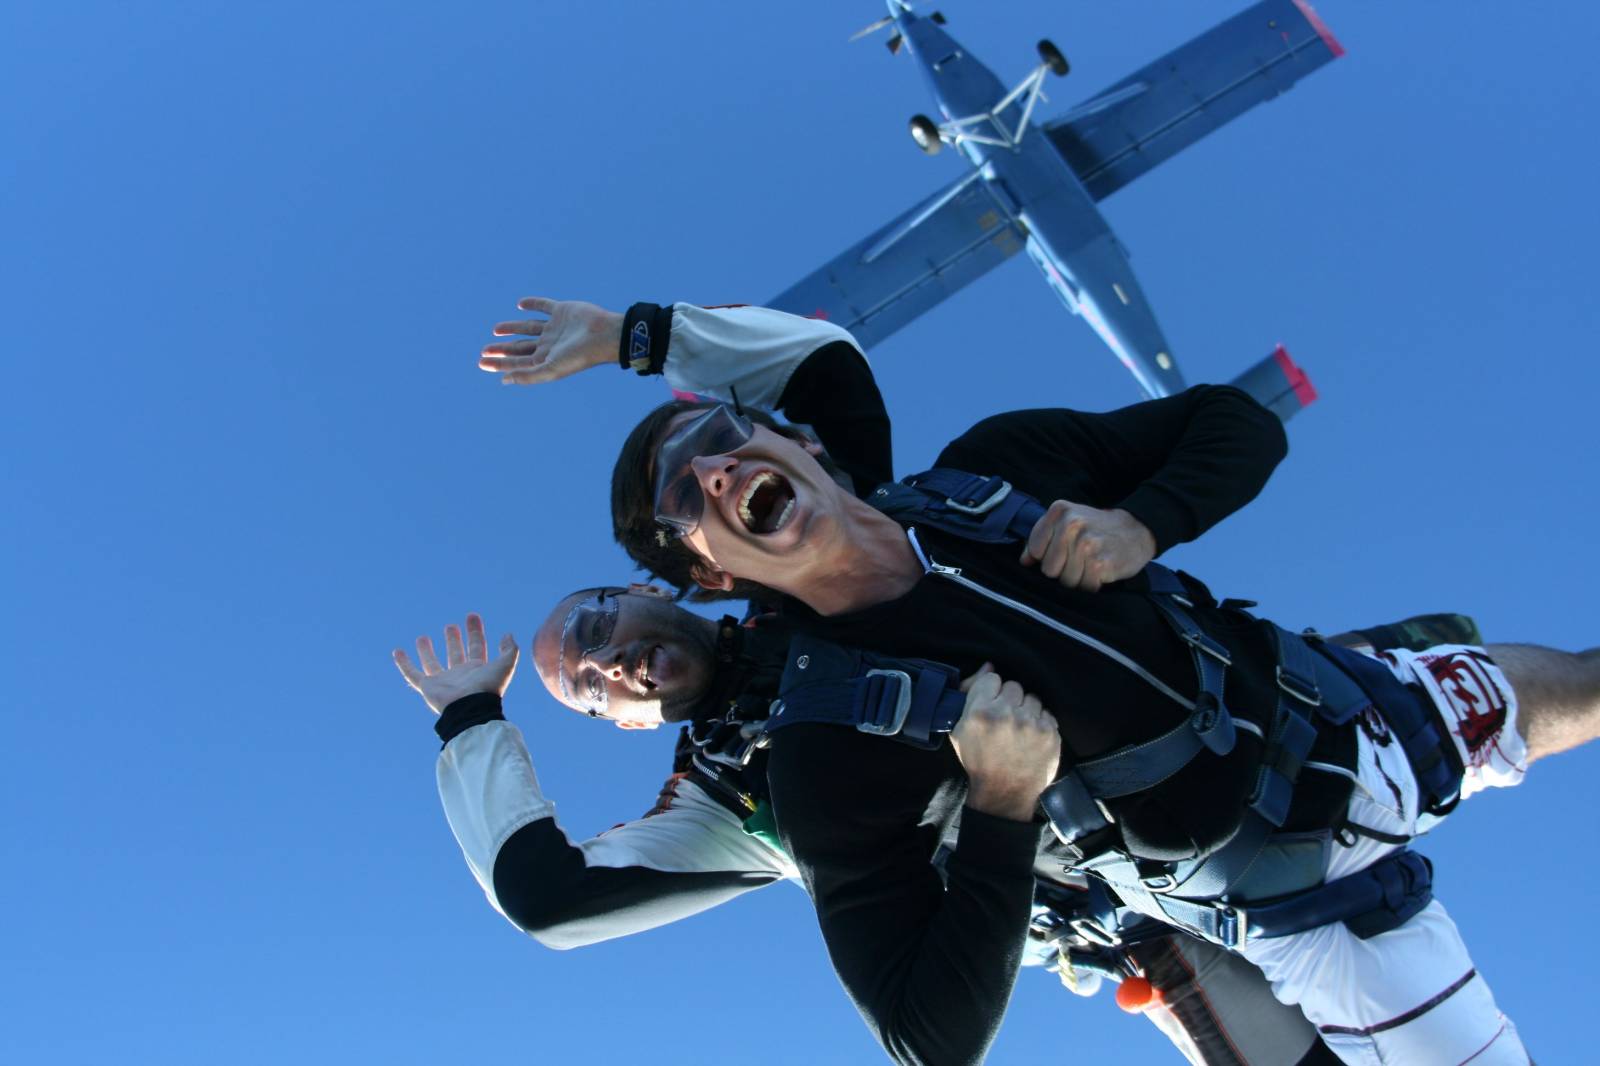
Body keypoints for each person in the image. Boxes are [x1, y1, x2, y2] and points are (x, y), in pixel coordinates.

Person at [555, 296, 1599, 1063]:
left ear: (794, 435)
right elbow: (925, 1034)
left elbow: (1235, 422)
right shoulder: (828, 749)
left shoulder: (992, 472)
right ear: (712, 574)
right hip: (1308, 908)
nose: (720, 473)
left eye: (720, 437)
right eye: (686, 498)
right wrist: (1005, 808)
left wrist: (1144, 520)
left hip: (1357, 706)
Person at [397, 596, 1485, 1066]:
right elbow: (547, 897)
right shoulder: (731, 801)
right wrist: (471, 720)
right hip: (1152, 922)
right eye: (592, 691)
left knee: (1449, 709)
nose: (609, 663)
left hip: (1232, 756)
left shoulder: (798, 571)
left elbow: (821, 393)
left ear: (644, 585)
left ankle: (1398, 674)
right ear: (626, 722)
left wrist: (641, 334)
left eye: (598, 626)